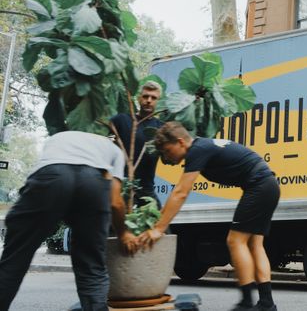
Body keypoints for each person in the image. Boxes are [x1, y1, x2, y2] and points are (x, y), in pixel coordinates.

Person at [138, 122, 280, 311]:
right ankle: (266, 303)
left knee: (234, 241)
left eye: (166, 150)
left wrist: (158, 229)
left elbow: (180, 192)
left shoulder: (197, 150)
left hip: (260, 185)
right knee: (254, 244)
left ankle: (246, 303)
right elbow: (177, 195)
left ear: (180, 142)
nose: (165, 156)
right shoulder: (202, 147)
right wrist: (158, 222)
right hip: (267, 184)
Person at [0, 131, 137, 311]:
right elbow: (115, 202)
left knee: (15, 260)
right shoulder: (115, 151)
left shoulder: (60, 137)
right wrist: (123, 233)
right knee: (92, 267)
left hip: (52, 177)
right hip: (92, 183)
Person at [109, 80, 164, 208]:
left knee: (159, 225)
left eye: (153, 98)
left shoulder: (161, 128)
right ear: (139, 98)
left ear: (158, 101)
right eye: (145, 96)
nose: (149, 100)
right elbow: (104, 141)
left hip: (147, 189)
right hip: (123, 186)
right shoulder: (121, 120)